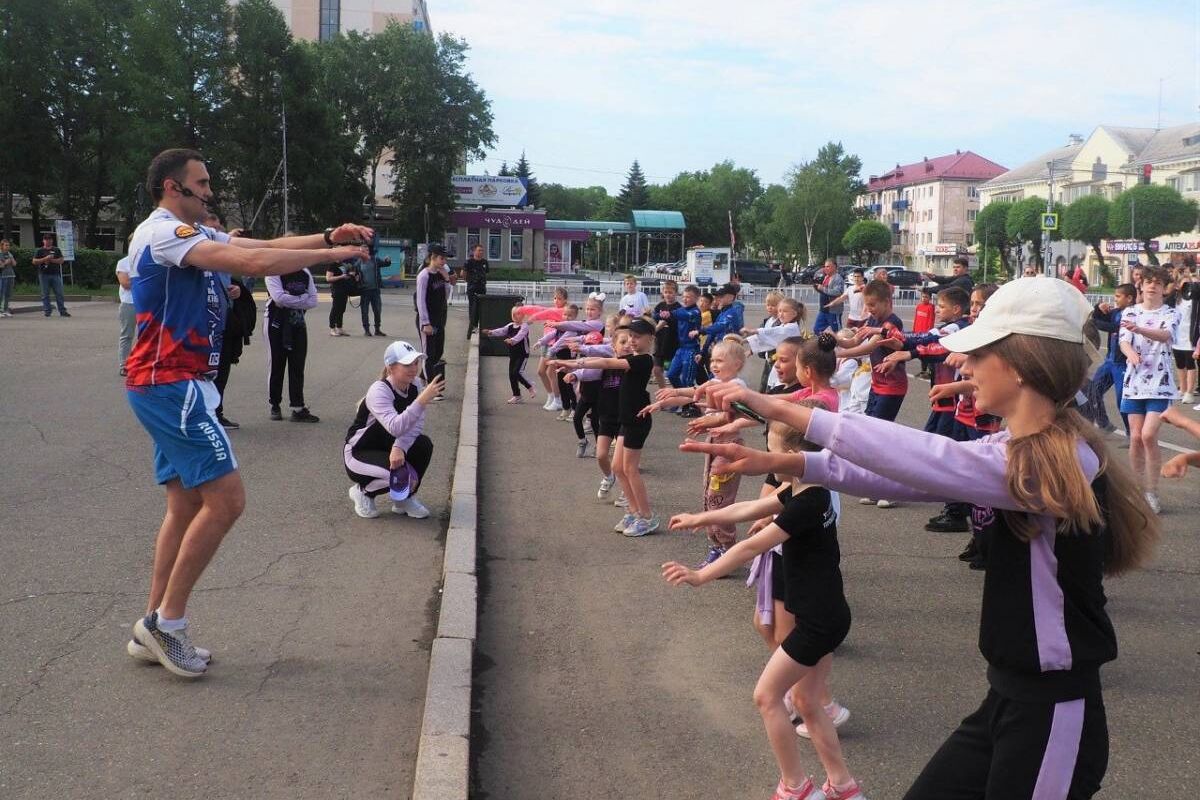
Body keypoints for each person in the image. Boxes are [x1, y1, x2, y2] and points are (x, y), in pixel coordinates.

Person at [687, 275, 1159, 800]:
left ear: (1021, 367)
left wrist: (778, 408)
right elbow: (913, 474)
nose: (962, 365)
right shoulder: (1025, 446)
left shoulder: (1057, 459)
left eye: (978, 354)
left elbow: (932, 459)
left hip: (1051, 713)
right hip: (1009, 698)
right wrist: (788, 461)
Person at [124, 147, 370, 677]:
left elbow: (263, 245)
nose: (209, 191)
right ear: (173, 187)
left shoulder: (188, 233)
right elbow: (256, 264)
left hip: (170, 385)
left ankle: (153, 624)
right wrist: (334, 259)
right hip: (172, 385)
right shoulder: (163, 233)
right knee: (227, 501)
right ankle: (169, 624)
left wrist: (329, 238)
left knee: (185, 506)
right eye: (202, 183)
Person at [664, 402, 865, 800]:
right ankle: (843, 787)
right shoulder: (809, 490)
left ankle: (796, 789)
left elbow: (751, 546)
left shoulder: (807, 504)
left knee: (767, 697)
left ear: (790, 454)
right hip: (829, 613)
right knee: (807, 701)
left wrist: (701, 576)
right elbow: (751, 507)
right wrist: (698, 518)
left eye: (768, 446)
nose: (763, 457)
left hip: (817, 621)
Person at [643, 334, 751, 565]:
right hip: (711, 445)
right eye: (713, 360)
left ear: (737, 365)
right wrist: (665, 400)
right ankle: (717, 545)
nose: (713, 364)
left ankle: (728, 548)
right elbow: (693, 394)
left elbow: (723, 407)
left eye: (720, 361)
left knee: (718, 497)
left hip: (728, 446)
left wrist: (705, 416)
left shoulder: (736, 386)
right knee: (708, 495)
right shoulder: (714, 384)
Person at [554, 318, 658, 536]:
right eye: (631, 337)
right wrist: (577, 365)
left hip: (637, 421)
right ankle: (633, 510)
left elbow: (608, 363)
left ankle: (647, 517)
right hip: (626, 420)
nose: (632, 341)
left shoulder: (644, 360)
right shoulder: (631, 357)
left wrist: (575, 363)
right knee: (618, 468)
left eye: (637, 337)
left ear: (651, 339)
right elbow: (605, 357)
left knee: (630, 469)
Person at [344, 340, 442, 519]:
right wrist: (421, 401)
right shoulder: (379, 390)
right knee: (406, 479)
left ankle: (403, 499)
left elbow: (416, 425)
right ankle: (363, 492)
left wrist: (400, 447)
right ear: (391, 368)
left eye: (415, 362)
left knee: (423, 444)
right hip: (359, 453)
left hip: (387, 448)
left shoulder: (416, 385)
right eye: (407, 364)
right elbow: (395, 426)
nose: (414, 368)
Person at [1118, 265, 1180, 514]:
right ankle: (1137, 490)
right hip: (1134, 384)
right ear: (1140, 286)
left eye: (1157, 282)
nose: (1152, 285)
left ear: (1164, 289)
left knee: (1148, 435)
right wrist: (1129, 351)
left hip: (1160, 385)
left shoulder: (1171, 313)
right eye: (1148, 282)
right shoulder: (1131, 311)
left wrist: (1140, 330)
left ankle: (1152, 492)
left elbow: (1165, 335)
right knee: (1134, 437)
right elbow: (1123, 340)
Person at [264, 268, 319, 422]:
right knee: (276, 364)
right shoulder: (274, 271)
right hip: (275, 322)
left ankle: (298, 407)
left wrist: (291, 299)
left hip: (297, 323)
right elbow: (278, 299)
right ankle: (274, 404)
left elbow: (313, 300)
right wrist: (303, 298)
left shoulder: (305, 273)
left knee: (297, 365)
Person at [1086, 284, 1136, 435]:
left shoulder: (1132, 314)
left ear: (1129, 298)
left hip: (1123, 364)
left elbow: (1113, 327)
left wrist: (1096, 322)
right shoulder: (1116, 312)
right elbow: (1098, 317)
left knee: (1122, 400)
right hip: (1110, 361)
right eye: (1114, 296)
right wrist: (1098, 308)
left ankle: (1131, 432)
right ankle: (1103, 422)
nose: (1115, 299)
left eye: (1118, 297)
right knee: (1094, 389)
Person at [414, 243, 455, 396]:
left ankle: (422, 379)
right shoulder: (424, 275)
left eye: (445, 259)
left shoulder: (440, 274)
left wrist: (446, 281)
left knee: (438, 352)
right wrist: (425, 323)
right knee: (429, 354)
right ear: (433, 257)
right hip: (428, 321)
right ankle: (432, 390)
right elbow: (421, 301)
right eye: (442, 258)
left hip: (439, 320)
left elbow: (445, 296)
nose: (444, 262)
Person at [484, 306, 536, 403]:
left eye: (518, 313)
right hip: (513, 353)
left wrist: (512, 340)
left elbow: (520, 336)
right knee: (511, 375)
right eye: (513, 313)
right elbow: (502, 331)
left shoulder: (524, 326)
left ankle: (530, 386)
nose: (515, 315)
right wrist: (491, 332)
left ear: (523, 315)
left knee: (517, 372)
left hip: (523, 353)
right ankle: (517, 396)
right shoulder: (510, 325)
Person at [652, 279, 682, 390]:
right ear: (662, 293)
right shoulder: (660, 306)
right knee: (656, 370)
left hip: (672, 345)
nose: (668, 295)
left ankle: (676, 393)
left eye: (671, 292)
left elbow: (677, 324)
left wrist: (662, 323)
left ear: (676, 293)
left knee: (670, 372)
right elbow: (653, 320)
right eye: (666, 292)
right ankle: (663, 392)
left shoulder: (679, 308)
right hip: (660, 344)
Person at [32, 232, 69, 317]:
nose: (48, 241)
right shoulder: (39, 250)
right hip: (43, 275)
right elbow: (34, 261)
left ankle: (62, 311)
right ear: (43, 241)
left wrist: (52, 260)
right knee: (45, 294)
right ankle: (47, 311)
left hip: (55, 274)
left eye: (49, 239)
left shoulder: (56, 250)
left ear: (52, 241)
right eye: (46, 239)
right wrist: (45, 258)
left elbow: (61, 260)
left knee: (59, 293)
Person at [460, 243, 489, 338]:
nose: (481, 252)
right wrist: (468, 280)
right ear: (474, 251)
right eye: (479, 250)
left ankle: (480, 325)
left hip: (482, 287)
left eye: (482, 251)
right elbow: (463, 273)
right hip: (472, 288)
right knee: (473, 307)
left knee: (481, 307)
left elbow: (486, 272)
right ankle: (473, 325)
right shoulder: (469, 262)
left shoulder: (485, 262)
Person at [326, 259, 359, 336]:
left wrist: (351, 275)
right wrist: (341, 276)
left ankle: (339, 328)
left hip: (344, 290)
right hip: (337, 290)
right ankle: (332, 328)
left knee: (341, 310)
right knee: (335, 309)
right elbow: (328, 278)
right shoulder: (332, 265)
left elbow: (345, 275)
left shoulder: (343, 265)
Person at [115, 254, 135, 374]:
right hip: (129, 303)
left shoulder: (151, 260)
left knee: (149, 335)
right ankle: (125, 365)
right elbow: (125, 283)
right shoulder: (124, 262)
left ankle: (146, 364)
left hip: (148, 302)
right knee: (127, 335)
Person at [812, 260, 844, 333]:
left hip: (833, 310)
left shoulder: (837, 278)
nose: (825, 268)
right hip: (823, 310)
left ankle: (839, 344)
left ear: (834, 267)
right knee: (817, 329)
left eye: (828, 266)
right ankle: (825, 343)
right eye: (825, 266)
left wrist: (822, 288)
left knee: (837, 331)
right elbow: (825, 292)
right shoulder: (826, 277)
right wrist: (817, 288)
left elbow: (838, 292)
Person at [358, 250, 385, 336]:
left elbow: (385, 263)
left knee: (377, 310)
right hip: (364, 291)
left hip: (375, 290)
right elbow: (353, 271)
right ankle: (366, 330)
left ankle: (377, 329)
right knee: (364, 311)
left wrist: (388, 261)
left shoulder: (375, 260)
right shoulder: (358, 263)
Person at [0, 239, 15, 317]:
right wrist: (6, 262)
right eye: (6, 245)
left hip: (11, 275)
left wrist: (11, 259)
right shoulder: (0, 254)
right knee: (1, 293)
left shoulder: (9, 254)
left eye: (8, 245)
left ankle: (5, 310)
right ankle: (0, 310)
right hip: (3, 276)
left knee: (7, 294)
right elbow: (1, 266)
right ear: (2, 246)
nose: (8, 247)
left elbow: (15, 264)